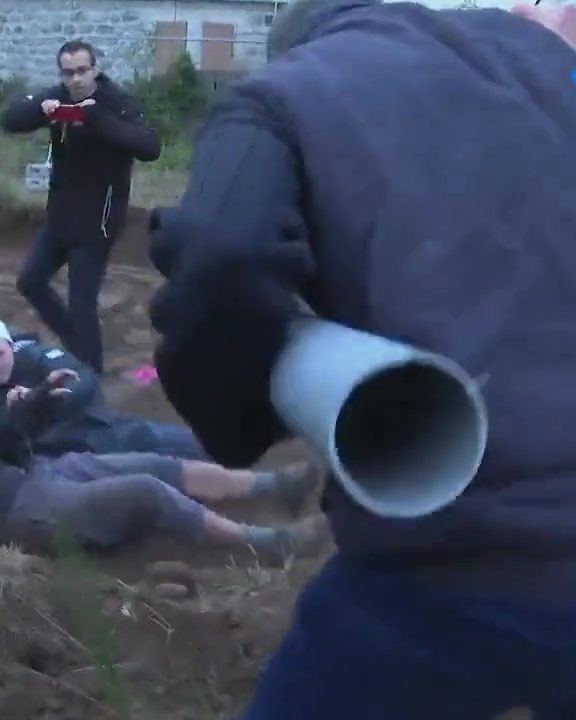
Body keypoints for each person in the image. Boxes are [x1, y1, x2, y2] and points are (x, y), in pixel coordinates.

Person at [145, 0, 576, 717]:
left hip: (461, 567)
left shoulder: (281, 96)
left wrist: (243, 418)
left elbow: (223, 257)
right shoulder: (544, 62)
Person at [0, 366, 328, 561]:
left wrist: (35, 399)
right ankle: (267, 545)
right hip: (17, 513)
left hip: (37, 471)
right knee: (146, 490)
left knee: (156, 463)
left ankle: (273, 487)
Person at [1, 40, 161, 374]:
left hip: (99, 220)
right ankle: (76, 345)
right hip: (61, 216)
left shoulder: (116, 102)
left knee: (81, 304)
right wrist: (40, 111)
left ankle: (91, 374)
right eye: (68, 72)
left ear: (95, 69)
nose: (75, 79)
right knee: (30, 281)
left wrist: (95, 119)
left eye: (82, 71)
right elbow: (11, 119)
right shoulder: (57, 96)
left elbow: (150, 146)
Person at [0, 318, 217, 461]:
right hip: (86, 460)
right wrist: (15, 412)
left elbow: (84, 379)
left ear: (11, 347)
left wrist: (44, 398)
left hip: (109, 429)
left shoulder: (36, 357)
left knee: (207, 447)